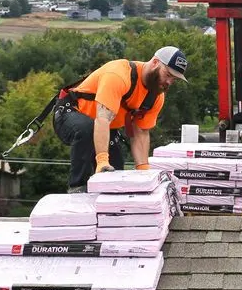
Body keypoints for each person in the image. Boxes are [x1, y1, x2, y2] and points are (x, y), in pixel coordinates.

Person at [52, 46, 188, 192]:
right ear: (155, 63)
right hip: (70, 114)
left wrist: (144, 173)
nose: (169, 82)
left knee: (115, 176)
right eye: (167, 74)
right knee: (89, 132)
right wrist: (102, 161)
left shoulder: (155, 96)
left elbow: (140, 133)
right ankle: (77, 187)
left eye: (173, 79)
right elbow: (102, 119)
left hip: (105, 128)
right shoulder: (119, 75)